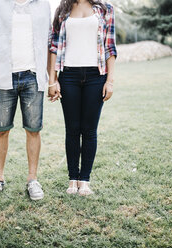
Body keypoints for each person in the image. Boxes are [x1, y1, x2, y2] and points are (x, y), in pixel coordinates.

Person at [0, 0, 51, 200]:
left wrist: (52, 79)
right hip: (3, 77)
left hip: (33, 76)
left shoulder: (42, 4)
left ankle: (32, 180)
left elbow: (48, 42)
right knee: (1, 130)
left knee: (33, 129)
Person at [48, 0, 117, 196]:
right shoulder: (62, 11)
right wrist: (53, 81)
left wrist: (109, 81)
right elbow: (53, 47)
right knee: (72, 129)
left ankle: (84, 180)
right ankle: (73, 179)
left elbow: (110, 48)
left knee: (89, 130)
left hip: (96, 76)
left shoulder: (105, 10)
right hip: (68, 75)